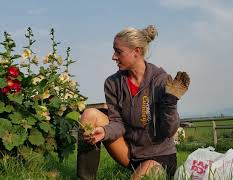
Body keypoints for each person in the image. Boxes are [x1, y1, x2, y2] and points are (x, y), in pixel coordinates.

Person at [77, 25, 190, 180]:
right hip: (130, 153)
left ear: (136, 52)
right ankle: (84, 178)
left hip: (160, 157)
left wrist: (170, 103)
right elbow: (117, 122)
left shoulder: (161, 81)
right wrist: (105, 131)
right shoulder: (113, 83)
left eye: (118, 51)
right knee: (89, 115)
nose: (113, 57)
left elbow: (169, 131)